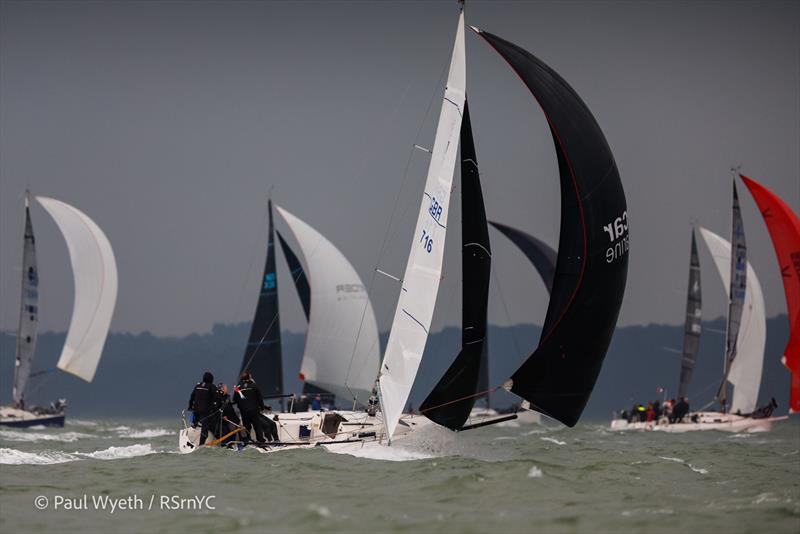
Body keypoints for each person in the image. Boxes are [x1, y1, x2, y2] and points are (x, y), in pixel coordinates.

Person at [234, 371, 266, 443]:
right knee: (257, 425)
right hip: (253, 410)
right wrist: (262, 407)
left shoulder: (238, 387)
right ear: (249, 377)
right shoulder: (254, 385)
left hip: (243, 411)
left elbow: (234, 399)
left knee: (247, 426)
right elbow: (259, 398)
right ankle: (261, 440)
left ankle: (247, 440)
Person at [188, 372, 219, 445]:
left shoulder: (198, 385)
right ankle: (200, 445)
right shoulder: (211, 386)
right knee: (206, 429)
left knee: (197, 423)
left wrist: (190, 406)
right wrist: (215, 406)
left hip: (196, 410)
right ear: (211, 379)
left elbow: (192, 396)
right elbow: (217, 398)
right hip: (205, 411)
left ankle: (193, 430)